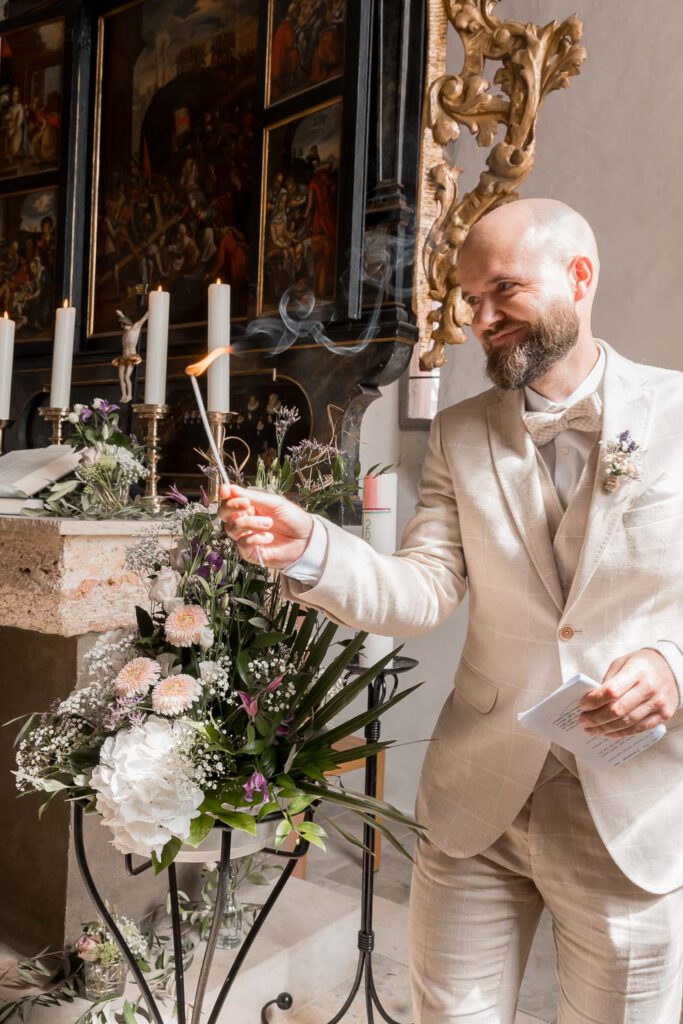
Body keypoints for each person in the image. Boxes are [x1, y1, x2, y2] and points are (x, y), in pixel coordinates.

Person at [219, 197, 683, 1024]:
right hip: (477, 806)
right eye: (469, 300)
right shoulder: (460, 433)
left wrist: (672, 666)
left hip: (631, 812)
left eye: (503, 289)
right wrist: (311, 550)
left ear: (579, 277)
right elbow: (421, 588)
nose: (481, 319)